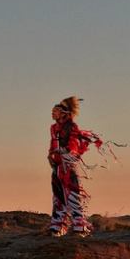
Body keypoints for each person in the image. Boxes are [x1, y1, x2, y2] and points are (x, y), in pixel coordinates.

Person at [46, 96, 105, 237]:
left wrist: (66, 152)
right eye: (53, 111)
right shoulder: (53, 128)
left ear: (64, 113)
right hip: (57, 164)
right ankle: (58, 225)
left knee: (73, 193)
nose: (53, 113)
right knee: (58, 194)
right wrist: (51, 155)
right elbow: (53, 143)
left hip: (68, 164)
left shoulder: (71, 127)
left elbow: (73, 143)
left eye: (56, 111)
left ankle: (80, 226)